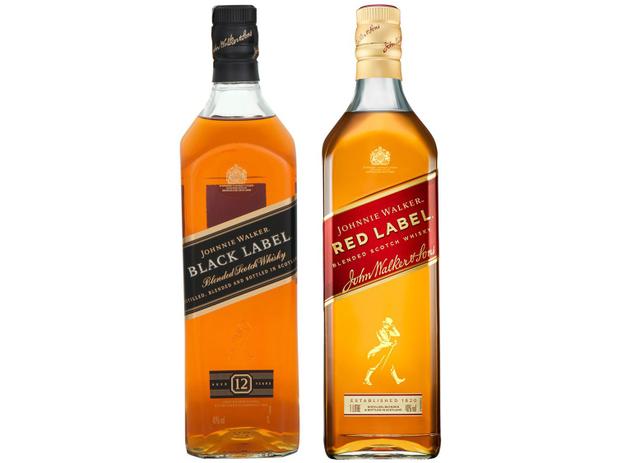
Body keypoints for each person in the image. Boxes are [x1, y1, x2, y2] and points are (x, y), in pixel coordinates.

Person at [364, 317, 406, 386]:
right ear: (383, 323)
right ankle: (366, 379)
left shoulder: (388, 331)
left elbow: (398, 334)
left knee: (391, 365)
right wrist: (391, 343)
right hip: (377, 351)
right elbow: (383, 342)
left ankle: (397, 380)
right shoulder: (380, 331)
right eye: (386, 324)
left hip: (384, 351)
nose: (387, 326)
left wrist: (393, 327)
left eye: (389, 325)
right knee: (374, 365)